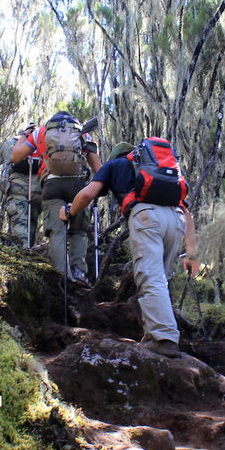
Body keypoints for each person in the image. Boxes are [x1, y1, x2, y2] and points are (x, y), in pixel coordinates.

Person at [59, 141, 199, 358]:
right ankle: (154, 334)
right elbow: (187, 213)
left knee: (150, 276)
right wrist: (192, 254)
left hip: (147, 216)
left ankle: (165, 339)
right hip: (176, 219)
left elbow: (88, 194)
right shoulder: (158, 171)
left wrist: (69, 212)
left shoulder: (114, 165)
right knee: (160, 278)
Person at [12, 111, 102, 286]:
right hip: (78, 187)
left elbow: (15, 157)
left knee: (57, 231)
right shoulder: (83, 132)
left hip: (52, 186)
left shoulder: (41, 133)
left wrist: (24, 135)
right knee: (78, 230)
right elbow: (99, 169)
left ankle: (62, 275)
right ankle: (79, 273)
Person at [0, 125, 42, 247]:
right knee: (32, 221)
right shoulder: (40, 141)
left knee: (20, 221)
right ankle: (29, 251)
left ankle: (23, 252)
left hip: (17, 187)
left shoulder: (9, 143)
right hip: (38, 189)